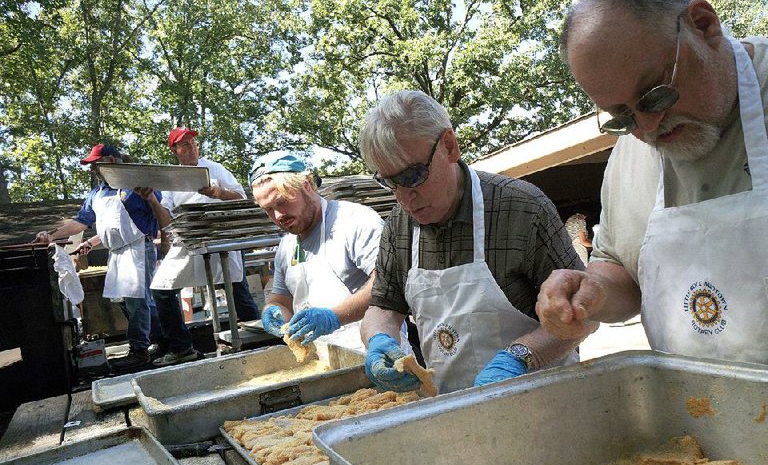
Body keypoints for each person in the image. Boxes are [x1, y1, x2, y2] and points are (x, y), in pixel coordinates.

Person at [535, 0, 768, 444]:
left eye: (654, 93)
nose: (649, 126)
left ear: (702, 24)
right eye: (621, 116)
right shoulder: (628, 157)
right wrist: (593, 290)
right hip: (696, 444)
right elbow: (622, 269)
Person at [358, 90, 584, 395]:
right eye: (388, 182)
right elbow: (384, 307)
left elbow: (582, 315)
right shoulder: (398, 226)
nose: (404, 197)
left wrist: (520, 357)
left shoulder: (521, 208)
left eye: (413, 175)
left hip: (542, 401)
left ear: (450, 146)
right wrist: (379, 340)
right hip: (452, 410)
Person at [33, 144, 163, 372]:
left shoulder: (136, 185)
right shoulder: (98, 193)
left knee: (138, 301)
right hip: (117, 253)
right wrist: (51, 235)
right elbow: (80, 222)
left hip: (138, 250)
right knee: (125, 300)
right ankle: (160, 340)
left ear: (111, 161)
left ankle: (140, 350)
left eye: (95, 163)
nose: (92, 168)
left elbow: (157, 214)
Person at [140, 127, 260, 366]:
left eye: (193, 143)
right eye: (184, 145)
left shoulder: (214, 168)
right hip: (189, 241)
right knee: (162, 289)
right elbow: (167, 223)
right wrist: (152, 200)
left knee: (237, 291)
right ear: (175, 151)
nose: (191, 147)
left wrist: (218, 192)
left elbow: (242, 198)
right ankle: (182, 347)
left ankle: (262, 342)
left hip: (221, 238)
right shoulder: (170, 181)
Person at [250, 152, 385, 349]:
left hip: (373, 353)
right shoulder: (287, 246)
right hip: (320, 362)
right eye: (268, 209)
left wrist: (334, 317)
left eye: (281, 201)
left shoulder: (354, 221)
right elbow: (282, 300)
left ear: (306, 185)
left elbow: (387, 283)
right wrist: (273, 311)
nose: (278, 215)